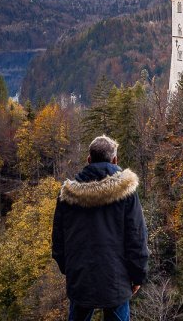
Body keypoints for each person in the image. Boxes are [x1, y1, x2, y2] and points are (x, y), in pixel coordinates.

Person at [52, 135, 148, 321]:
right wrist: (138, 276)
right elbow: (137, 237)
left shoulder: (67, 194)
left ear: (89, 160)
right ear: (115, 160)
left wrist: (70, 270)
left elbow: (58, 241)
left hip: (80, 280)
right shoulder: (126, 193)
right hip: (116, 281)